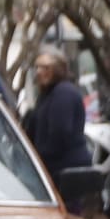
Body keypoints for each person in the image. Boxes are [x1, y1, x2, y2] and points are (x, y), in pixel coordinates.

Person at [26, 49, 90, 191]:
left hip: (65, 173)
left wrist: (37, 159)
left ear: (59, 69)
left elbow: (59, 135)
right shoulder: (47, 95)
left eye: (45, 67)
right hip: (54, 171)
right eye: (37, 67)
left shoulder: (64, 93)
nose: (39, 71)